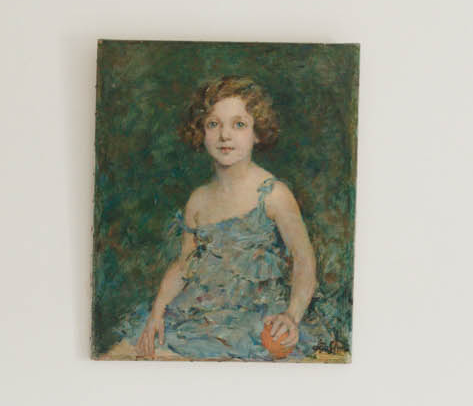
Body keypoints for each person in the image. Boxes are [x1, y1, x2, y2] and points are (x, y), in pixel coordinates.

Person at [112, 77, 319, 361]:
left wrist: (292, 316)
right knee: (125, 353)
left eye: (239, 124)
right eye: (213, 124)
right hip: (199, 312)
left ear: (257, 133)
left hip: (252, 319)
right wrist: (157, 313)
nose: (225, 135)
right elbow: (185, 264)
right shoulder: (198, 199)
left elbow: (304, 260)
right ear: (201, 132)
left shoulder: (272, 194)